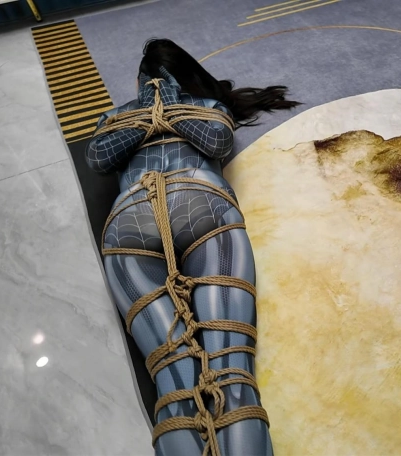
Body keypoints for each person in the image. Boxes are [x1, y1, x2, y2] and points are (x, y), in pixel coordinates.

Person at [86, 39, 299, 456]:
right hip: (202, 203)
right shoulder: (203, 107)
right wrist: (164, 108)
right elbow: (100, 157)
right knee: (230, 371)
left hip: (132, 215)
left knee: (174, 382)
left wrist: (153, 110)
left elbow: (102, 156)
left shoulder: (122, 115)